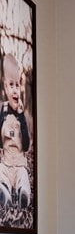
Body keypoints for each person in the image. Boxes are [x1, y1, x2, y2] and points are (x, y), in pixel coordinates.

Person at [0, 52, 32, 210]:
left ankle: (23, 193)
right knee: (1, 174)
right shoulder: (3, 111)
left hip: (19, 164)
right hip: (6, 163)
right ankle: (4, 192)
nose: (14, 90)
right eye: (11, 85)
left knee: (23, 177)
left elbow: (26, 145)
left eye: (17, 85)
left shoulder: (21, 115)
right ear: (5, 87)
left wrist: (21, 118)